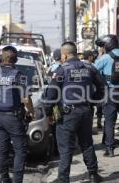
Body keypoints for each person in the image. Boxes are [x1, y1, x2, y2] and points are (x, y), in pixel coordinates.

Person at [44, 41, 105, 183]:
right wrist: (93, 100)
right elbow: (103, 86)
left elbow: (52, 93)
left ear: (64, 55)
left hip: (68, 114)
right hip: (85, 111)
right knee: (87, 143)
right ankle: (93, 174)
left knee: (65, 147)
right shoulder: (89, 67)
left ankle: (63, 178)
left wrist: (48, 113)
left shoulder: (61, 70)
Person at [0, 46, 35, 183]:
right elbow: (26, 99)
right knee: (20, 150)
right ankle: (17, 180)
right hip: (13, 117)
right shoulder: (19, 75)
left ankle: (4, 178)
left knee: (2, 149)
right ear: (16, 59)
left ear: (2, 59)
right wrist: (32, 113)